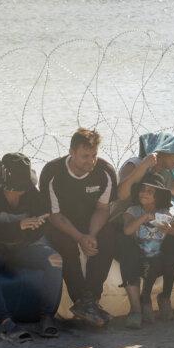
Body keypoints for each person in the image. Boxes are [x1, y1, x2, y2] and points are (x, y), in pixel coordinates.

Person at [116, 132, 174, 322]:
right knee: (128, 249)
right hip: (125, 221)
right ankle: (136, 310)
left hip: (153, 222)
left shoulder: (163, 174)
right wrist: (142, 167)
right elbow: (121, 193)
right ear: (162, 153)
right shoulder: (134, 164)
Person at [0, 153, 64, 343]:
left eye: (24, 188)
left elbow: (42, 224)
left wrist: (36, 226)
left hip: (23, 248)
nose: (20, 193)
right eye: (17, 189)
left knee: (55, 260)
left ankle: (46, 317)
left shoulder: (32, 193)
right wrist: (19, 226)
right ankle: (7, 324)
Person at [39, 128, 118, 328]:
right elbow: (54, 215)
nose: (90, 161)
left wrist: (90, 235)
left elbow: (102, 209)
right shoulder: (52, 173)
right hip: (62, 224)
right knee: (65, 244)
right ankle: (80, 300)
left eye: (94, 156)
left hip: (91, 221)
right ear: (71, 152)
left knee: (108, 236)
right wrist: (79, 238)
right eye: (84, 156)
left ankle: (92, 298)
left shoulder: (105, 172)